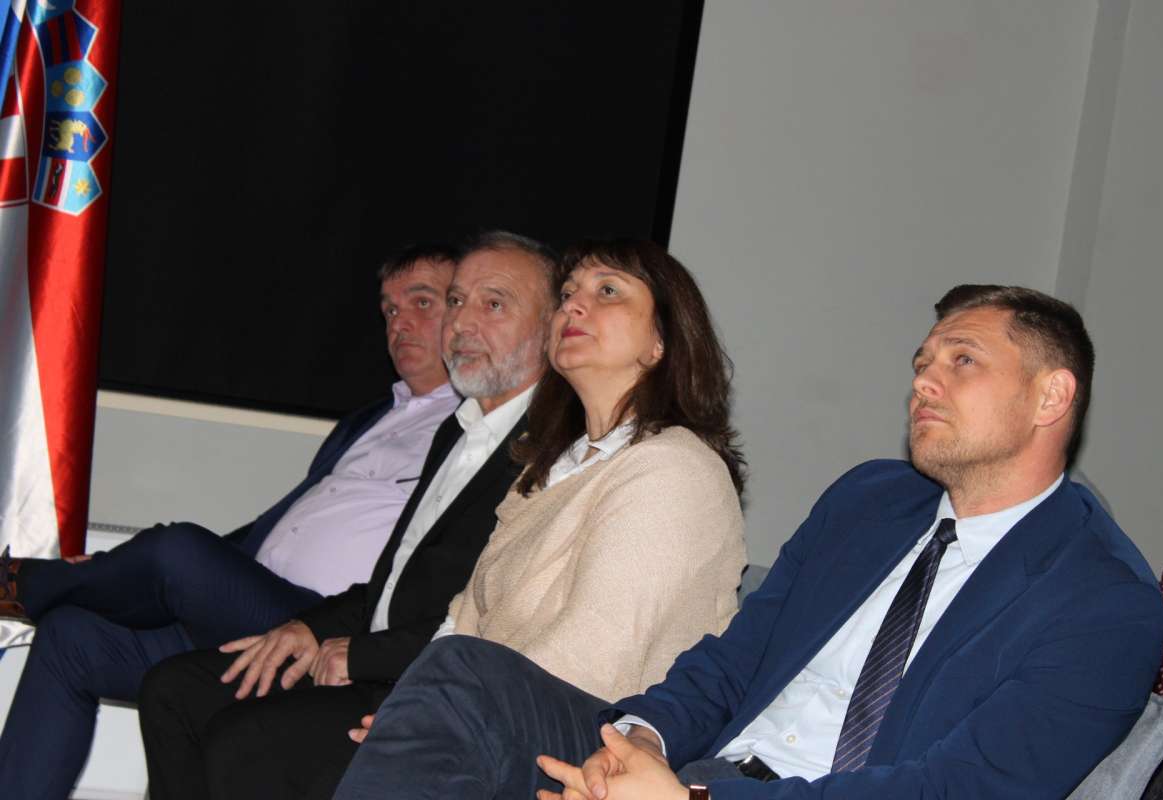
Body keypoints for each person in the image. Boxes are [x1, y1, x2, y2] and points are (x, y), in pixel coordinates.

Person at [331, 284, 1163, 800]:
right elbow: (732, 662)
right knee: (463, 677)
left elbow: (958, 789)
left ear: (1051, 397)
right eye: (922, 360)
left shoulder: (1104, 602)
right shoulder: (870, 502)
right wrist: (639, 744)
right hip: (697, 766)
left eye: (962, 361)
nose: (923, 379)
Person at [139, 238, 749, 800]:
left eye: (607, 291)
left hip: (599, 729)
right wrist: (421, 704)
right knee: (211, 710)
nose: (574, 305)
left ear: (661, 342)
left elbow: (596, 651)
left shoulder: (673, 464)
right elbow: (464, 616)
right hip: (485, 703)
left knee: (259, 747)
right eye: (568, 293)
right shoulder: (548, 470)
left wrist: (433, 710)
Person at [0, 243, 464, 800]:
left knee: (175, 550)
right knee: (71, 635)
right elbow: (265, 533)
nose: (399, 323)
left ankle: (20, 583)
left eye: (421, 302)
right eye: (389, 309)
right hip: (251, 609)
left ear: (463, 310)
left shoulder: (473, 430)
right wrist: (129, 572)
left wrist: (167, 567)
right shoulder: (371, 420)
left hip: (326, 625)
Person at [136, 230, 560, 800]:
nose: (461, 322)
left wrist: (361, 655)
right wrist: (309, 628)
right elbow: (392, 586)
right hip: (375, 656)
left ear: (551, 327)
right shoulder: (454, 434)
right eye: (457, 301)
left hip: (433, 684)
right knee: (174, 691)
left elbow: (501, 619)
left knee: (246, 740)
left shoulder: (553, 452)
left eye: (494, 304)